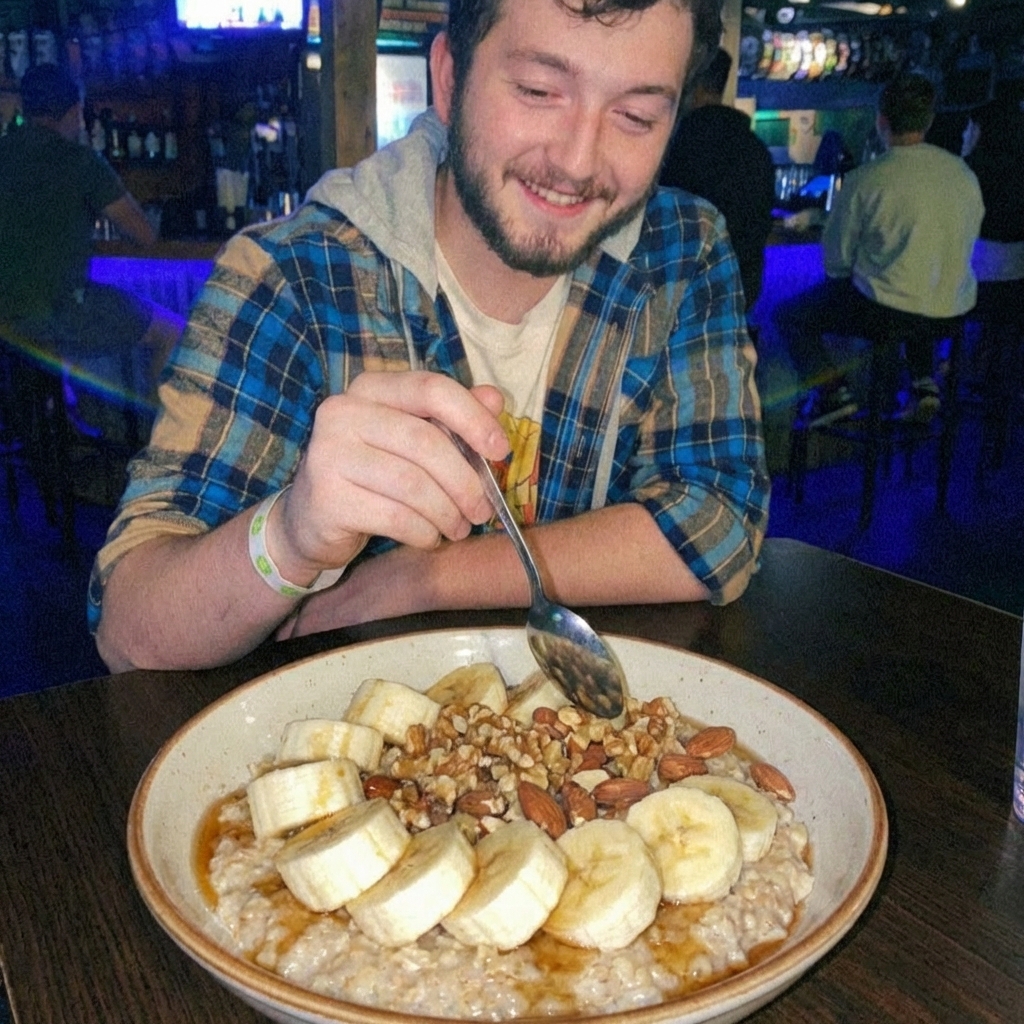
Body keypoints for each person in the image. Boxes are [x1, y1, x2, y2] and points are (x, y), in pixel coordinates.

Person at [90, 0, 769, 673]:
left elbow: (720, 521)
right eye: (538, 91)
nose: (578, 161)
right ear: (449, 78)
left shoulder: (683, 249)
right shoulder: (293, 272)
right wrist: (290, 536)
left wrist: (425, 578)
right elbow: (130, 632)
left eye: (636, 116)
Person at [774, 73, 984, 427]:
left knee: (788, 315)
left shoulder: (867, 178)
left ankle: (833, 395)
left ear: (881, 120)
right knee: (914, 285)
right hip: (952, 312)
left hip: (887, 313)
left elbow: (836, 263)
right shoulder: (962, 173)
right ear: (929, 120)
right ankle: (922, 383)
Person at [0, 63, 183, 398]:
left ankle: (60, 420)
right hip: (60, 311)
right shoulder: (80, 161)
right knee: (173, 334)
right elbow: (144, 234)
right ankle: (161, 431)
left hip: (8, 317)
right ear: (74, 111)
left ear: (24, 108)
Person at [659, 47, 775, 313]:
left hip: (684, 293)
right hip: (741, 288)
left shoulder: (680, 147)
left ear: (693, 85)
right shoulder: (756, 149)